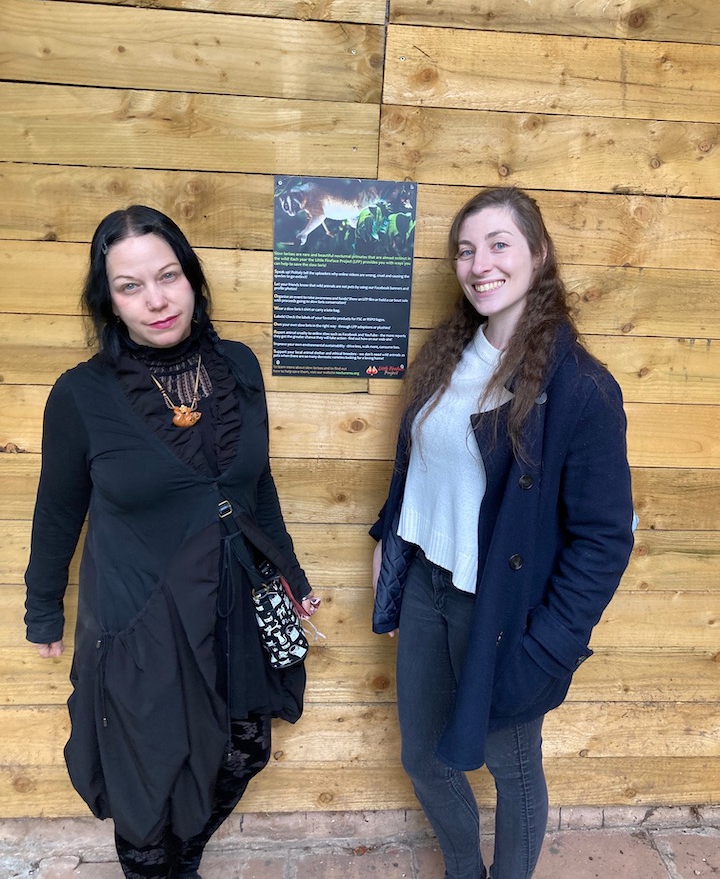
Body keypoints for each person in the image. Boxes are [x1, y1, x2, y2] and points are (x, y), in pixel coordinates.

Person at [25, 206, 320, 879]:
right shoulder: (81, 395)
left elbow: (256, 486)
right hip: (141, 617)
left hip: (233, 600)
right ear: (109, 300)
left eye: (168, 276)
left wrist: (292, 576)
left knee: (244, 750)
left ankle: (182, 862)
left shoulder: (239, 366)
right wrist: (43, 607)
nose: (155, 300)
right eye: (130, 286)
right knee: (147, 780)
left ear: (191, 278)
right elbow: (57, 513)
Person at [371, 187, 634, 879]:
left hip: (503, 613)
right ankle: (465, 869)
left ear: (538, 255)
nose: (479, 263)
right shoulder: (446, 357)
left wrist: (549, 644)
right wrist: (388, 548)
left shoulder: (580, 389)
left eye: (498, 244)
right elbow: (417, 465)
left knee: (512, 768)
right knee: (421, 759)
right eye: (466, 249)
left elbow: (604, 539)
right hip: (429, 587)